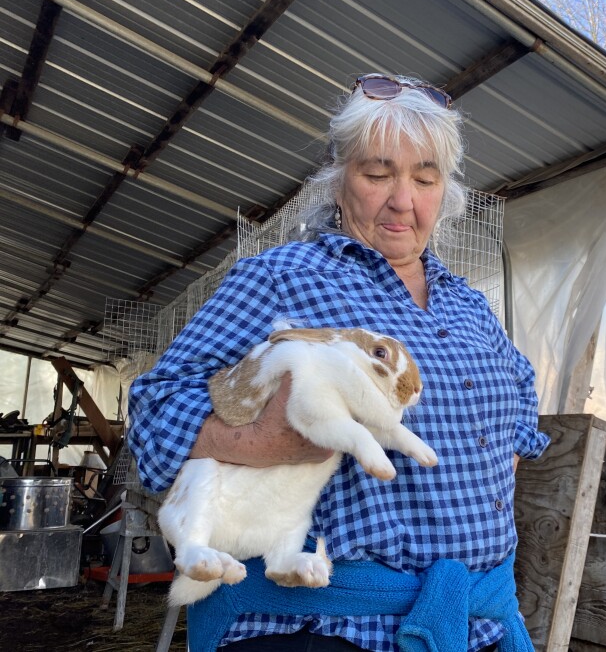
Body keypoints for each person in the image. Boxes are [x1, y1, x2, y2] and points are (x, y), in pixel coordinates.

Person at [127, 73, 550, 652]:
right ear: (337, 178)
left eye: (425, 178)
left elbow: (522, 410)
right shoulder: (281, 277)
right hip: (321, 625)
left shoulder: (470, 305)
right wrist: (273, 439)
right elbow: (155, 414)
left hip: (472, 621)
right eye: (378, 174)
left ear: (445, 192)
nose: (403, 200)